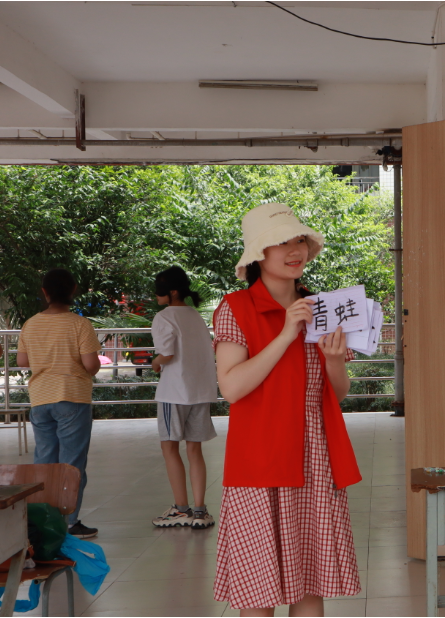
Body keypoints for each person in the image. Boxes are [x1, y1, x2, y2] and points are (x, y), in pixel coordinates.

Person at [212, 202, 361, 616]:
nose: (295, 250)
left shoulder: (321, 307)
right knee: (256, 594)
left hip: (313, 457)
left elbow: (336, 394)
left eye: (299, 240)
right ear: (258, 254)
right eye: (281, 243)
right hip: (258, 461)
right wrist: (285, 333)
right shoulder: (235, 307)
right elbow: (232, 387)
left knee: (310, 586)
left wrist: (334, 360)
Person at [15, 268, 101, 539]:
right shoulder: (79, 325)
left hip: (40, 399)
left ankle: (42, 521)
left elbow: (22, 361)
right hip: (72, 397)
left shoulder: (30, 324)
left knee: (44, 463)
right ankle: (69, 522)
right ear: (72, 290)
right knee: (71, 464)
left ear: (45, 292)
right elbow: (91, 365)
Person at [149, 266, 218, 530]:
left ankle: (181, 509)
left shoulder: (164, 317)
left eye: (160, 290)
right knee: (194, 449)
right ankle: (200, 511)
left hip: (174, 392)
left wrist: (155, 363)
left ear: (173, 292)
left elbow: (166, 354)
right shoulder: (195, 316)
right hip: (200, 390)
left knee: (169, 448)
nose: (156, 295)